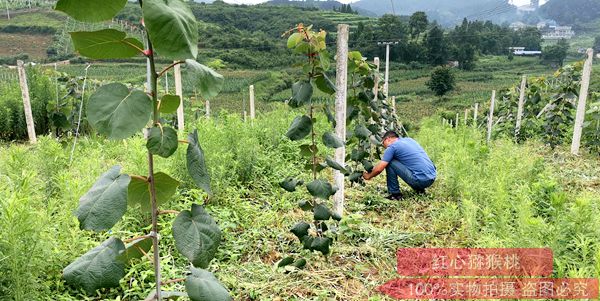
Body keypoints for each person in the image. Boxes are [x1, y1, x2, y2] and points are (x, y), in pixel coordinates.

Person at [362, 130, 436, 200]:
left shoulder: (392, 147)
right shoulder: (409, 140)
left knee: (390, 162)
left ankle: (395, 194)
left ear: (388, 139)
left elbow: (379, 169)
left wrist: (368, 176)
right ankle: (420, 190)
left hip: (420, 181)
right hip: (432, 177)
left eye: (383, 144)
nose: (384, 147)